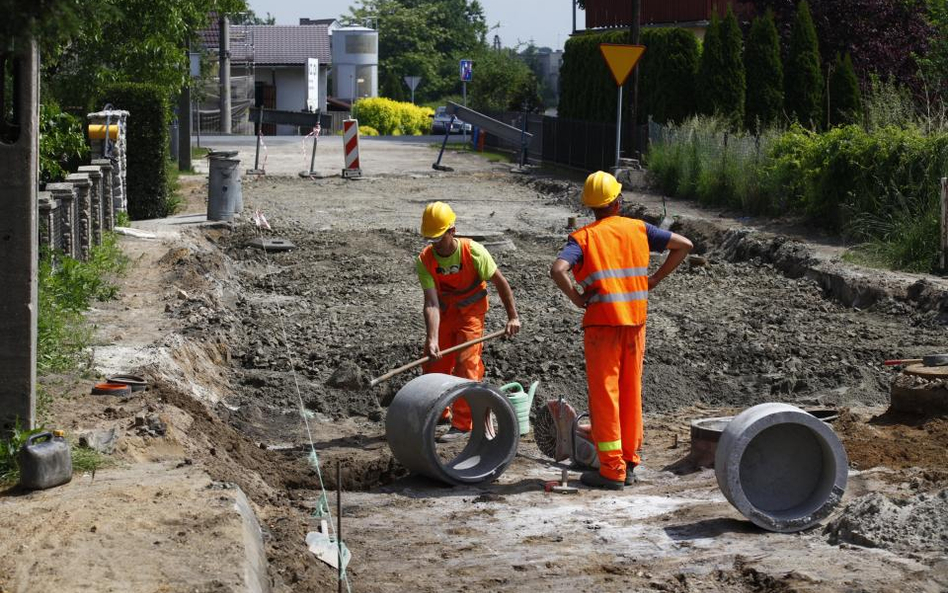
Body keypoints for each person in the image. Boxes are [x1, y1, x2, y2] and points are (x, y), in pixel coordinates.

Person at [550, 171, 693, 490]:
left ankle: (612, 470)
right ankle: (628, 462)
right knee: (630, 393)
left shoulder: (584, 238)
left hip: (602, 326)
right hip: (635, 324)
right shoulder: (638, 228)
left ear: (590, 206)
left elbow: (558, 269)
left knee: (606, 396)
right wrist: (653, 279)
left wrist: (576, 298)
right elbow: (684, 245)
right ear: (616, 200)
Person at [417, 202, 521, 442]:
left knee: (466, 365)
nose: (434, 244)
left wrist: (513, 317)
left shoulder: (473, 252)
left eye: (439, 238)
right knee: (434, 364)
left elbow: (501, 283)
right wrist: (432, 339)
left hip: (471, 315)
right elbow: (431, 303)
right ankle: (438, 414)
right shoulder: (425, 260)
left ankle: (463, 424)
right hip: (444, 315)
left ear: (452, 230)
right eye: (430, 239)